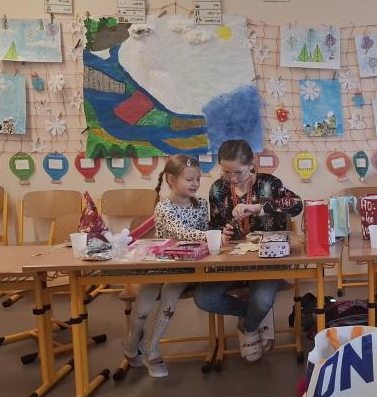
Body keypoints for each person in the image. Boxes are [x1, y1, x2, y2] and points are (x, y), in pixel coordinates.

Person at [193, 139, 303, 362]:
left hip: (267, 260)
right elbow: (215, 225)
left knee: (262, 300)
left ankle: (249, 327)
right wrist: (222, 232)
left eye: (239, 173)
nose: (232, 179)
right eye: (226, 172)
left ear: (251, 165)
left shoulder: (268, 183)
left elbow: (297, 204)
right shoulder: (218, 189)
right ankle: (257, 316)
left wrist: (258, 207)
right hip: (231, 261)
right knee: (204, 298)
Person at [123, 155, 208, 378]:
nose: (195, 184)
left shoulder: (202, 205)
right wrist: (210, 235)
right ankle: (132, 341)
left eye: (198, 179)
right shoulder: (163, 207)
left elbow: (200, 236)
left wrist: (212, 236)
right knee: (143, 306)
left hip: (187, 267)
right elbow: (181, 232)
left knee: (171, 290)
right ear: (171, 180)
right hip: (160, 265)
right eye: (189, 179)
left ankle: (152, 348)